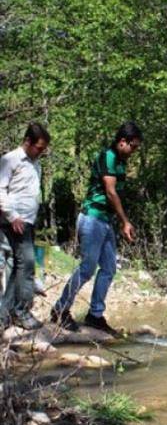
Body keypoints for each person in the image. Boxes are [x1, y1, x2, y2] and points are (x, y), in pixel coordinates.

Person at [51, 122, 142, 334]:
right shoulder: (108, 157)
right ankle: (60, 310)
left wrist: (118, 221)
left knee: (109, 268)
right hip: (92, 219)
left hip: (105, 221)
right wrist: (125, 221)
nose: (134, 151)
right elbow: (110, 192)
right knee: (87, 268)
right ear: (122, 142)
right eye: (133, 147)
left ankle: (95, 315)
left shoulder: (120, 162)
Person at [0, 122, 50, 330]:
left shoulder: (35, 163)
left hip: (27, 221)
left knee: (18, 267)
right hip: (13, 221)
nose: (41, 152)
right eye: (39, 148)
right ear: (28, 142)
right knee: (27, 264)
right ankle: (21, 312)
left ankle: (5, 314)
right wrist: (12, 216)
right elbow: (0, 188)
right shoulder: (11, 159)